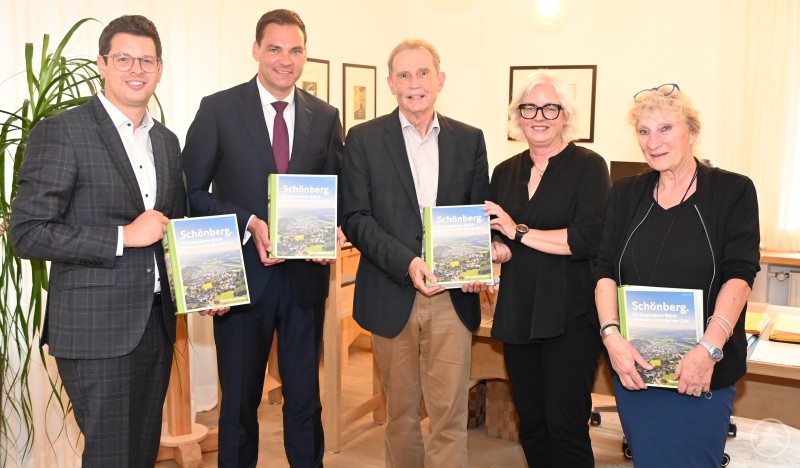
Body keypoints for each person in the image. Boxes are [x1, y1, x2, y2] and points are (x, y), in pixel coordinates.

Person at [10, 15, 195, 467]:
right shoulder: (63, 131)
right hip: (95, 330)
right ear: (102, 64)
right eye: (124, 58)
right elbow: (28, 232)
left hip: (156, 323)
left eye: (146, 59)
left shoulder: (167, 142)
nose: (136, 69)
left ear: (160, 67)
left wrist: (202, 284)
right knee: (111, 457)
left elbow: (172, 228)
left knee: (141, 453)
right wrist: (123, 236)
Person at [181, 9, 343, 468]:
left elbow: (337, 189)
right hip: (240, 284)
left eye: (295, 50)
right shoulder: (218, 109)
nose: (284, 60)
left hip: (304, 282)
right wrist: (250, 221)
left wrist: (333, 228)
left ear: (305, 55)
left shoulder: (325, 116)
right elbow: (190, 193)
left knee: (305, 404)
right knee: (237, 407)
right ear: (256, 51)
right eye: (274, 48)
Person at [341, 39, 491, 468]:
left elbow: (477, 216)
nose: (414, 84)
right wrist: (407, 263)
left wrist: (481, 257)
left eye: (423, 73)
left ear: (440, 79)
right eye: (404, 75)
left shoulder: (470, 139)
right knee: (401, 417)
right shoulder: (364, 139)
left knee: (449, 417)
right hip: (392, 292)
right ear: (390, 83)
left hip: (451, 297)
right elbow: (356, 216)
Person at [593, 83, 760, 466]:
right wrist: (611, 337)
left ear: (694, 134)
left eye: (666, 128)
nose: (653, 141)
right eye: (644, 131)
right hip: (634, 367)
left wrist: (708, 349)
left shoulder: (732, 191)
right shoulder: (624, 194)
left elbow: (739, 274)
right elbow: (604, 271)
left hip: (701, 368)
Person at [483, 71, 610, 467]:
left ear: (565, 116)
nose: (539, 116)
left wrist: (517, 232)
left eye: (550, 107)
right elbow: (497, 238)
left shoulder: (589, 166)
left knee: (566, 426)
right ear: (517, 116)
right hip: (519, 311)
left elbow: (584, 240)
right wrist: (497, 249)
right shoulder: (504, 171)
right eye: (529, 107)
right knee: (532, 424)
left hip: (570, 315)